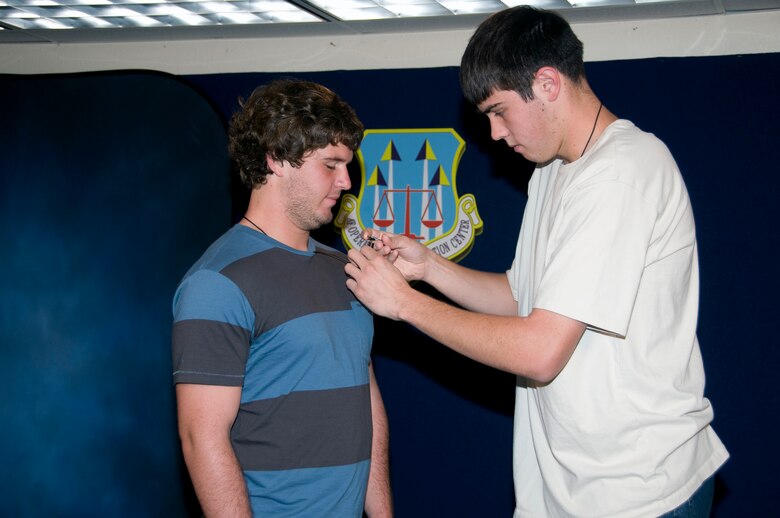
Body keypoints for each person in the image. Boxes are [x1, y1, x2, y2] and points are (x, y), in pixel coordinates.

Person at [344, 6, 728, 518]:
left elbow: (540, 351)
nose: (494, 133)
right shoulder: (551, 171)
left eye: (499, 111)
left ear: (547, 83)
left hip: (639, 491)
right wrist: (429, 268)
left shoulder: (622, 173)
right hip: (573, 490)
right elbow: (520, 296)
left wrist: (404, 305)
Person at [172, 79, 392, 517]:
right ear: (276, 159)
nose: (346, 181)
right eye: (330, 165)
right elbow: (202, 438)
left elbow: (365, 403)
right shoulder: (216, 282)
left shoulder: (345, 269)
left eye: (347, 165)